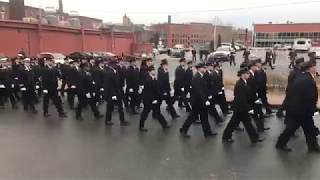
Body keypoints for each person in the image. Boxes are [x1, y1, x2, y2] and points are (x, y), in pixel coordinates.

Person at [276, 61, 320, 152]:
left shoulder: (303, 77)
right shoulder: (306, 80)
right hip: (300, 110)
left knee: (310, 129)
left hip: (301, 109)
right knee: (291, 128)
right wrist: (312, 109)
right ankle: (280, 144)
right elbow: (308, 97)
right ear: (310, 68)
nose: (316, 68)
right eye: (314, 67)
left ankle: (313, 147)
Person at [222, 68, 263, 144]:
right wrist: (249, 108)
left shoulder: (244, 82)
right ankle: (226, 136)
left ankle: (254, 138)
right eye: (247, 74)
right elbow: (241, 98)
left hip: (241, 108)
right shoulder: (240, 84)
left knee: (245, 123)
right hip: (240, 108)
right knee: (236, 123)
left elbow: (248, 94)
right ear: (243, 75)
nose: (249, 75)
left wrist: (255, 99)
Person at [180, 63, 216, 138]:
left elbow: (204, 87)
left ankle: (207, 132)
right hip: (197, 102)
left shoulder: (201, 76)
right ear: (199, 68)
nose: (205, 69)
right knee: (192, 117)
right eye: (203, 68)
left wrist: (209, 95)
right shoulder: (196, 78)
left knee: (204, 117)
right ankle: (184, 130)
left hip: (200, 101)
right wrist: (205, 100)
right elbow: (199, 91)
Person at [139, 65, 170, 132]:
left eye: (154, 70)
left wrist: (163, 92)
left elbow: (158, 87)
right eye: (153, 70)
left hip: (154, 99)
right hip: (148, 100)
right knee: (145, 113)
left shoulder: (154, 78)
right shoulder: (147, 79)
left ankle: (164, 124)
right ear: (149, 72)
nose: (154, 71)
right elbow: (148, 91)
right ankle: (141, 126)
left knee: (157, 112)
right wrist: (153, 100)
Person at [103, 60, 129, 126]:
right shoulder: (108, 73)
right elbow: (108, 85)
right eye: (115, 64)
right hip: (111, 94)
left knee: (120, 107)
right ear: (111, 65)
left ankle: (122, 120)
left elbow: (118, 82)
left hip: (117, 92)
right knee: (109, 107)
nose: (116, 65)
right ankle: (108, 121)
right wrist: (113, 94)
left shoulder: (115, 71)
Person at [247, 60, 270, 132]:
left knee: (259, 111)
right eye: (255, 66)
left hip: (255, 96)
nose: (257, 67)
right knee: (243, 115)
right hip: (251, 98)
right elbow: (249, 87)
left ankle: (261, 128)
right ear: (252, 67)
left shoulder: (255, 73)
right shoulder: (249, 75)